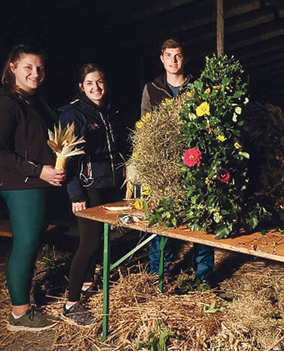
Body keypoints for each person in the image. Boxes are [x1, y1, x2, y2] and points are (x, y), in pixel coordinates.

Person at [0, 44, 65, 331]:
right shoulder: (4, 105)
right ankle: (19, 314)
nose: (35, 73)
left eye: (40, 68)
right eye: (28, 67)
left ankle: (24, 297)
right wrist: (39, 170)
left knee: (32, 244)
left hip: (36, 184)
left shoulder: (34, 103)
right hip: (21, 186)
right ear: (12, 69)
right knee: (25, 245)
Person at [141, 38, 213, 283]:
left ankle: (202, 277)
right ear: (161, 58)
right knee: (162, 219)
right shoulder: (151, 89)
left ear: (184, 58)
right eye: (169, 55)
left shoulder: (198, 87)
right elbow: (145, 128)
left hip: (195, 164)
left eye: (178, 55)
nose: (173, 60)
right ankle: (158, 274)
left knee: (200, 219)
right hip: (163, 167)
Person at [58, 63, 124, 326]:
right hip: (87, 187)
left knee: (96, 243)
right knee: (88, 243)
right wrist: (75, 194)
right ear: (80, 87)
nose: (96, 87)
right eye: (89, 84)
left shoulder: (105, 111)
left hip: (105, 184)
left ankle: (86, 285)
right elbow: (66, 159)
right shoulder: (73, 114)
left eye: (99, 82)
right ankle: (71, 304)